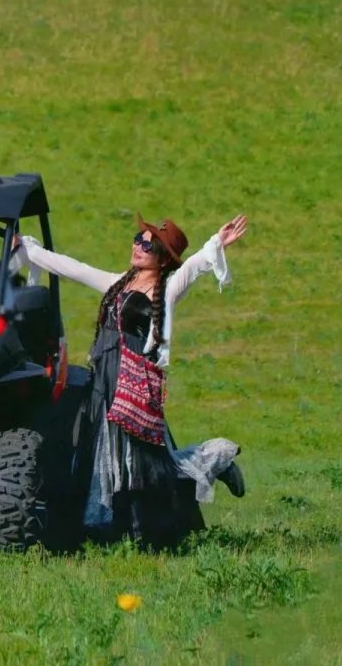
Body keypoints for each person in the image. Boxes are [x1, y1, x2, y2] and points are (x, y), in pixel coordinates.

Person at [14, 214, 248, 549]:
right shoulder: (117, 283)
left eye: (148, 244)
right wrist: (27, 249)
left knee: (145, 459)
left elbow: (194, 267)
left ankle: (215, 460)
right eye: (137, 239)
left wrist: (217, 242)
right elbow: (73, 268)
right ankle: (109, 526)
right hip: (104, 381)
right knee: (103, 451)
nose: (138, 246)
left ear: (163, 258)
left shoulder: (166, 288)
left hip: (133, 384)